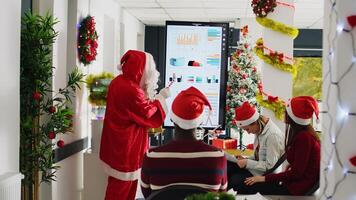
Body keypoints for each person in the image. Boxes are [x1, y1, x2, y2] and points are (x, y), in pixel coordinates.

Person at [99, 50, 170, 200]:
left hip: (117, 145)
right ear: (140, 69)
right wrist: (161, 97)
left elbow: (136, 109)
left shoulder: (118, 82)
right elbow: (147, 113)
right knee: (121, 192)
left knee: (118, 189)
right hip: (126, 150)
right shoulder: (131, 89)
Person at [140, 86, 227, 198]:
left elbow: (147, 195)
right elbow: (221, 194)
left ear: (172, 119)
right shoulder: (218, 157)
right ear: (200, 122)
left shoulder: (152, 157)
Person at [242, 96, 320, 195]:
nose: (283, 114)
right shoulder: (303, 135)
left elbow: (296, 173)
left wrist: (263, 178)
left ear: (292, 116)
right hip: (293, 184)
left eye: (286, 111)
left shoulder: (304, 138)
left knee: (244, 185)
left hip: (296, 189)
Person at [227, 101, 284, 192]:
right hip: (256, 170)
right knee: (228, 166)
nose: (248, 132)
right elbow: (258, 156)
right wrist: (245, 159)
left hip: (265, 176)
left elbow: (270, 166)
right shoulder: (260, 129)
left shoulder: (272, 136)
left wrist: (247, 162)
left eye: (247, 129)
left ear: (254, 122)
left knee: (235, 180)